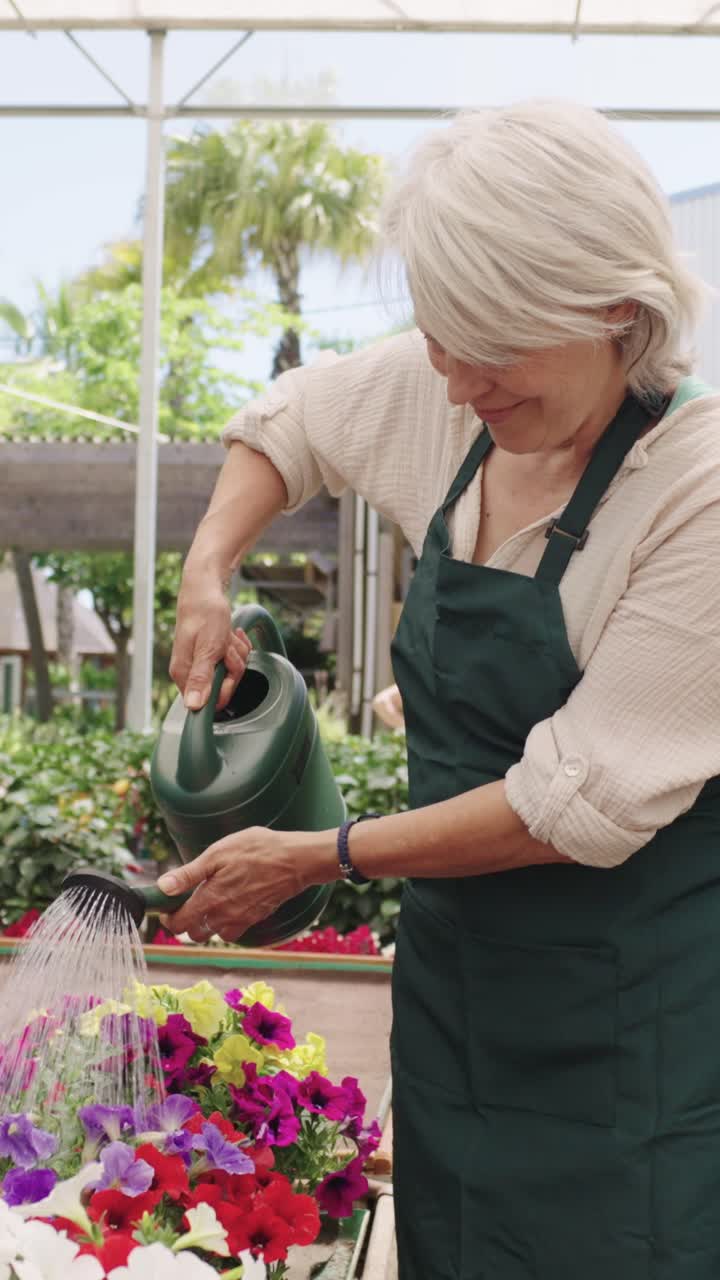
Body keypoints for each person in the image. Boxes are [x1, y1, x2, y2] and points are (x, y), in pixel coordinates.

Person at [158, 100, 720, 1278]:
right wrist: (209, 567)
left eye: (490, 344)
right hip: (461, 997)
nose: (457, 381)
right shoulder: (452, 391)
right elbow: (296, 417)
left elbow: (571, 801)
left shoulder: (698, 493)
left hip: (641, 1035)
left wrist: (317, 852)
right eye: (438, 337)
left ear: (614, 304)